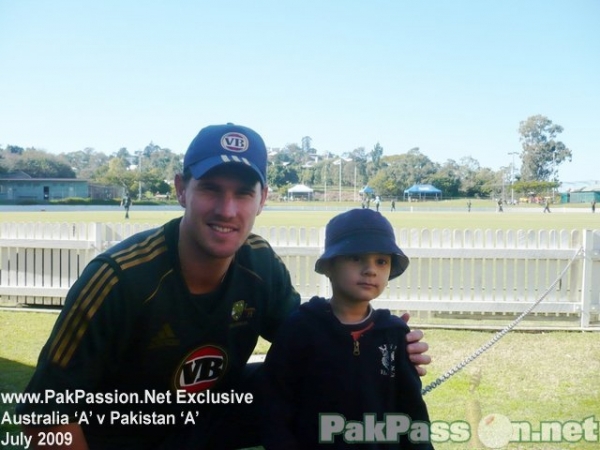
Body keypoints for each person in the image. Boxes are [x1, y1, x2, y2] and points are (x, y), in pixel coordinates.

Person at [17, 123, 431, 450]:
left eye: (243, 193)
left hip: (206, 424)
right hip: (121, 433)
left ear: (263, 198)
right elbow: (43, 415)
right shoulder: (120, 278)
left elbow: (312, 342)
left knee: (295, 374)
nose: (227, 210)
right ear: (182, 190)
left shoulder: (259, 263)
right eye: (211, 189)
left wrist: (383, 343)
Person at [262, 208, 434, 449]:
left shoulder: (394, 334)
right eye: (356, 258)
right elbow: (275, 407)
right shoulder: (300, 328)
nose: (370, 269)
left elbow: (412, 412)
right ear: (329, 266)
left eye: (381, 261)